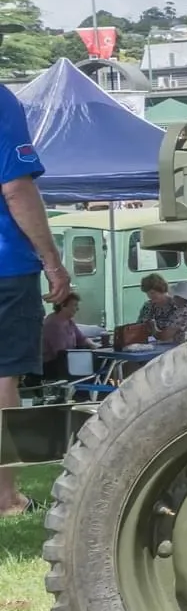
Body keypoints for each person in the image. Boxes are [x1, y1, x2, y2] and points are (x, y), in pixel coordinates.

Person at [0, 84, 69, 517]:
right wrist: (52, 260)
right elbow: (15, 187)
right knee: (3, 377)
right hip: (4, 266)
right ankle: (5, 498)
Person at [133, 273, 187, 344]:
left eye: (153, 293)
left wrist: (153, 328)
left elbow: (165, 336)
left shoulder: (179, 308)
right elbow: (139, 326)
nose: (149, 296)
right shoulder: (148, 306)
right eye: (147, 293)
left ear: (161, 290)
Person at [41, 291, 90, 378]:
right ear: (63, 305)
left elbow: (81, 338)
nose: (77, 308)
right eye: (74, 305)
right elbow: (61, 354)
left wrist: (95, 346)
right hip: (52, 366)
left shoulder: (69, 321)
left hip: (67, 361)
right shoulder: (52, 324)